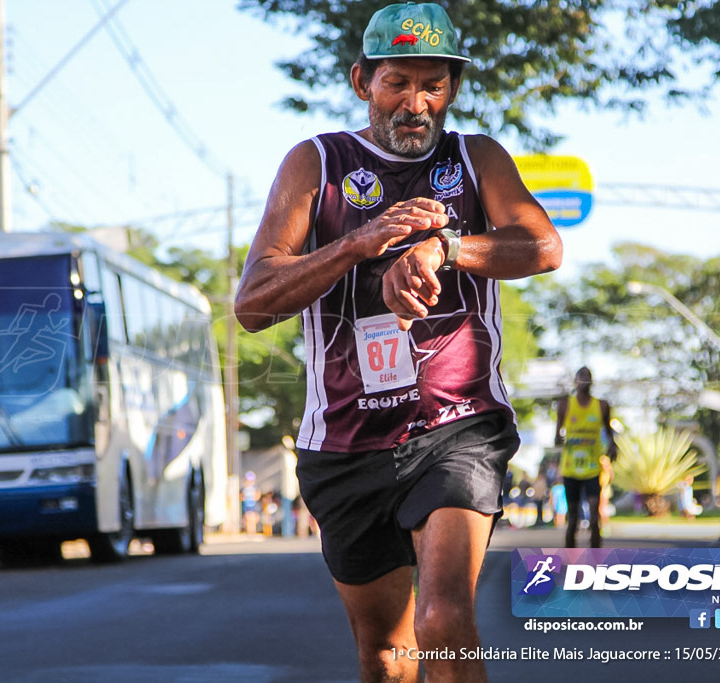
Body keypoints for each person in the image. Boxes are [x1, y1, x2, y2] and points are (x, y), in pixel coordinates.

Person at [233, 3, 562, 680]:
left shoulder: (476, 157)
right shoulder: (317, 164)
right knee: (386, 655)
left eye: (433, 85)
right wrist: (358, 242)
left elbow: (542, 245)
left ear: (452, 90)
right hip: (346, 442)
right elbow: (253, 303)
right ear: (362, 82)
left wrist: (446, 248)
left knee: (442, 620)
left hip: (456, 423)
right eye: (397, 83)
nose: (416, 103)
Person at [554, 367, 617, 548]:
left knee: (594, 515)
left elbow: (609, 431)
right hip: (571, 468)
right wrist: (559, 439)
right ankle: (571, 557)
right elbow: (557, 436)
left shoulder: (602, 406)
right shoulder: (565, 405)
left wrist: (613, 445)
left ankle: (595, 558)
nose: (585, 381)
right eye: (581, 378)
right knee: (572, 517)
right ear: (575, 382)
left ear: (592, 382)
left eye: (588, 378)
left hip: (591, 468)